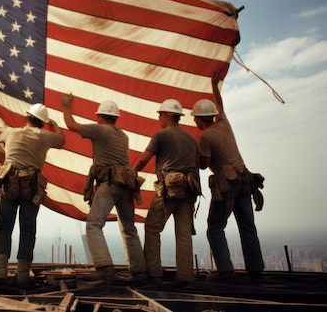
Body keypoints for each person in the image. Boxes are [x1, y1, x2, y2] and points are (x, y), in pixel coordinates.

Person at [0, 103, 65, 288]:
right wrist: (54, 126)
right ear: (42, 123)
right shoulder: (46, 136)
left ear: (27, 117)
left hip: (10, 182)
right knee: (28, 229)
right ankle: (22, 273)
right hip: (32, 186)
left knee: (3, 226)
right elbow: (62, 140)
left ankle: (0, 269)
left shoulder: (11, 132)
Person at [61, 95, 147, 283]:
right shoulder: (123, 135)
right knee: (128, 228)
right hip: (126, 185)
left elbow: (70, 125)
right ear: (115, 117)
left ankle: (104, 267)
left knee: (93, 224)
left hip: (110, 184)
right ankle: (139, 271)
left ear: (100, 117)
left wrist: (66, 106)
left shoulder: (99, 130)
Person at [192, 70, 264, 282]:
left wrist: (193, 155)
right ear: (212, 116)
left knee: (215, 228)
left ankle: (225, 272)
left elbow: (204, 166)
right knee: (248, 227)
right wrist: (213, 85)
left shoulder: (204, 137)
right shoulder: (223, 123)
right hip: (244, 180)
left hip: (227, 185)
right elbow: (220, 105)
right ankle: (256, 270)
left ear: (198, 120)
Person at [133, 99, 201, 284]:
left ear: (167, 116)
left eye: (160, 115)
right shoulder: (191, 139)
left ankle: (154, 273)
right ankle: (186, 276)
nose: (158, 118)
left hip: (169, 190)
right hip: (188, 190)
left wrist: (131, 172)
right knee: (184, 233)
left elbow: (144, 159)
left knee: (153, 227)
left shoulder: (161, 135)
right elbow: (196, 165)